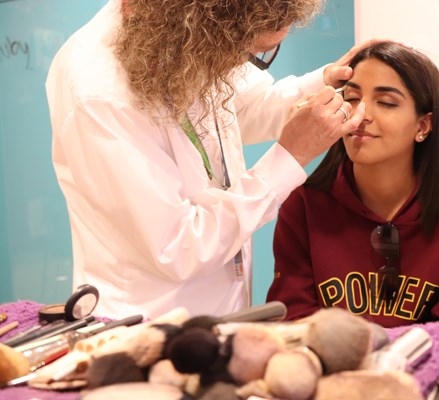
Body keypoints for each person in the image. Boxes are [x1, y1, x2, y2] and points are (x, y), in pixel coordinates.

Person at [46, 0, 372, 319]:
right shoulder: (101, 96)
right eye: (250, 51)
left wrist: (324, 82)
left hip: (220, 315)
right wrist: (291, 155)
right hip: (149, 325)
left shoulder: (184, 38)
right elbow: (179, 247)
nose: (246, 63)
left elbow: (241, 106)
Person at [266, 41, 439, 346]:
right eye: (352, 98)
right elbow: (292, 325)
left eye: (386, 102)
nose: (360, 114)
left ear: (423, 125)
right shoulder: (302, 206)